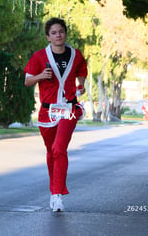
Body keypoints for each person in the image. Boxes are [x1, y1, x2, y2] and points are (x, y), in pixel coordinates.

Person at [24, 18, 87, 212]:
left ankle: (58, 195)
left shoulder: (75, 55)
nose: (58, 35)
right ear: (48, 36)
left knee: (59, 149)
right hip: (47, 111)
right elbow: (27, 81)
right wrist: (41, 76)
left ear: (65, 34)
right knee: (51, 151)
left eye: (61, 31)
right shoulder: (39, 56)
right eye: (54, 32)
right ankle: (54, 191)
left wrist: (81, 85)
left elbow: (82, 70)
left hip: (68, 109)